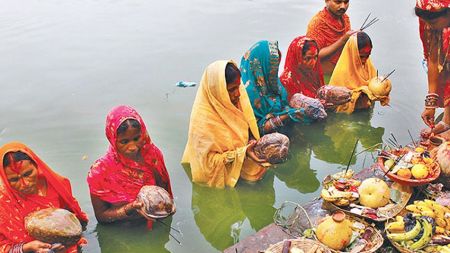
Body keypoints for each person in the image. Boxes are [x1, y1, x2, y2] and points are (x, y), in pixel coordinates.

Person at [181, 60, 269, 188]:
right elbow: (207, 167)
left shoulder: (238, 99)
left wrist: (251, 141)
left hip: (243, 163)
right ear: (218, 91)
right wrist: (241, 153)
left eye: (238, 87)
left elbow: (249, 127)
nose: (238, 93)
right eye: (232, 89)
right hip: (220, 177)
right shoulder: (203, 122)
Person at [87, 105, 172, 225]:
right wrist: (129, 209)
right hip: (121, 229)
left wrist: (168, 207)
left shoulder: (153, 156)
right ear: (112, 139)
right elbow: (101, 216)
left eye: (137, 138)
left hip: (154, 222)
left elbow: (163, 189)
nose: (132, 147)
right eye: (124, 142)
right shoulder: (100, 171)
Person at [0, 142, 88, 253]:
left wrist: (64, 243)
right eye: (14, 180)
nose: (25, 183)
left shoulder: (57, 185)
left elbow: (73, 220)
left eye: (28, 174)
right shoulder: (3, 204)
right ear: (4, 179)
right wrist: (26, 248)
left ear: (36, 166)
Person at [240, 40, 311, 135]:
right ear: (261, 66)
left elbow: (284, 103)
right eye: (272, 67)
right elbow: (256, 130)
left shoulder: (272, 81)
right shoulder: (247, 94)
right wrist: (285, 116)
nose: (274, 71)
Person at [329, 32, 389, 113]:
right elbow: (335, 103)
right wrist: (360, 93)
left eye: (367, 56)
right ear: (353, 53)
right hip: (347, 117)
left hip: (366, 111)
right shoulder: (342, 72)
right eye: (361, 57)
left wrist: (381, 90)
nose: (364, 60)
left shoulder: (368, 66)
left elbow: (374, 84)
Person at [416, 0, 450, 139]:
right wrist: (431, 104)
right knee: (444, 68)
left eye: (435, 22)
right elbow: (433, 58)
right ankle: (447, 121)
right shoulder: (427, 11)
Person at [306, 0, 356, 77]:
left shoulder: (345, 18)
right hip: (322, 75)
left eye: (346, 2)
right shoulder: (317, 23)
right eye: (338, 2)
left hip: (342, 71)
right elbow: (314, 55)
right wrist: (342, 40)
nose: (343, 6)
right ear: (326, 1)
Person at [280, 36, 325, 100]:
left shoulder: (314, 75)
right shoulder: (287, 81)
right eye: (307, 58)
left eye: (315, 57)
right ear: (297, 58)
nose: (313, 63)